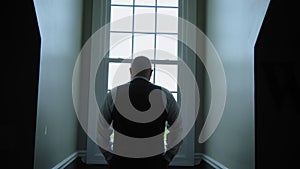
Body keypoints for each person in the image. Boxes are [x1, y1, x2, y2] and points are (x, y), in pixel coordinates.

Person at [97, 56, 183, 169]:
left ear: (131, 71)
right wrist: (167, 157)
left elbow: (101, 128)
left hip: (121, 161)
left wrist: (109, 157)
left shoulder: (114, 94)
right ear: (151, 72)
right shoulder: (165, 95)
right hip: (154, 162)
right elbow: (178, 129)